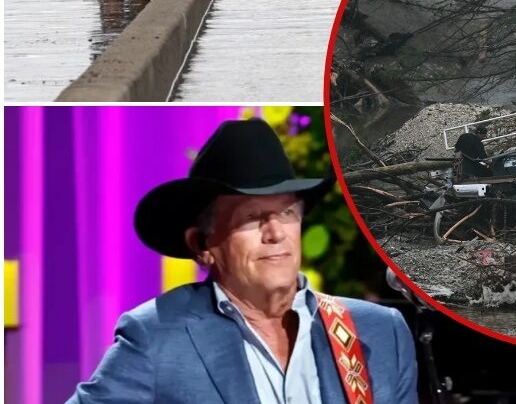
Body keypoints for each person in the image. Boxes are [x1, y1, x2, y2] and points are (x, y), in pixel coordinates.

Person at [66, 118, 419, 404]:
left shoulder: (380, 330)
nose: (275, 232)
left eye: (286, 212)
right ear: (202, 244)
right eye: (251, 218)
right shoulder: (157, 336)